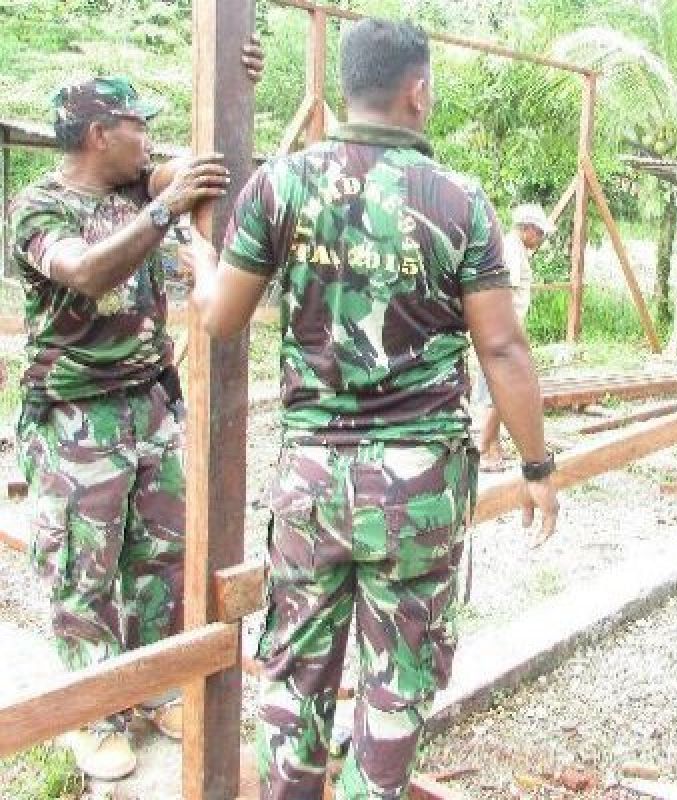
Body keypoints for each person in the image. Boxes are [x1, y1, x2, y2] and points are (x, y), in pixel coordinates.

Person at [184, 19, 559, 799]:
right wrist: (536, 465)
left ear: (350, 86)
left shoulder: (281, 184)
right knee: (398, 676)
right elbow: (503, 351)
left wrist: (202, 260)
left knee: (294, 669)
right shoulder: (459, 200)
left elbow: (221, 318)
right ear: (416, 91)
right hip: (418, 490)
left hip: (313, 482)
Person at [8, 45, 263, 782]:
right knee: (82, 571)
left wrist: (241, 78)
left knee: (159, 560)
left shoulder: (140, 186)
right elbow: (86, 274)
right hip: (75, 421)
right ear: (97, 134)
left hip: (149, 408)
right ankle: (93, 713)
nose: (149, 139)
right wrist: (162, 210)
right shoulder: (40, 206)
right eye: (136, 126)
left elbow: (209, 168)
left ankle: (153, 689)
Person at [477, 203, 553, 469]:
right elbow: (503, 295)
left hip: (500, 332)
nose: (541, 240)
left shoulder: (514, 249)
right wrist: (510, 339)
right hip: (502, 334)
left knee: (496, 392)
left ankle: (494, 447)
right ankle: (484, 450)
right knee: (499, 395)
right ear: (529, 229)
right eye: (540, 234)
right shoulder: (511, 250)